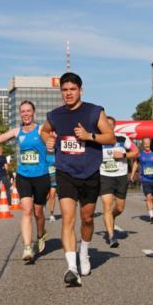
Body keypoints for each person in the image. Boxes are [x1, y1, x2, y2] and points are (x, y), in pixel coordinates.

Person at [41, 72, 115, 286]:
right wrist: (48, 141)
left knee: (88, 218)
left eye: (72, 89)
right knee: (67, 217)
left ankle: (84, 251)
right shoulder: (55, 115)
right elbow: (45, 132)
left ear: (80, 90)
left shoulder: (94, 111)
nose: (68, 94)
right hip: (65, 171)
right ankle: (72, 267)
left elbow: (110, 137)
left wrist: (89, 136)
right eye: (65, 90)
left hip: (90, 172)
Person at [0, 102, 52, 262]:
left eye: (28, 111)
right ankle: (27, 247)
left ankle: (40, 234)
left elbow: (54, 141)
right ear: (20, 114)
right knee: (27, 210)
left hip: (41, 176)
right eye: (23, 111)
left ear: (34, 113)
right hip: (23, 176)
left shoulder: (41, 129)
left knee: (38, 212)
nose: (25, 114)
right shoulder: (17, 131)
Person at [99, 116, 137, 247]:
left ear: (114, 127)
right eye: (105, 124)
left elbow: (136, 152)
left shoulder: (122, 138)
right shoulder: (98, 139)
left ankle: (112, 216)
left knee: (119, 208)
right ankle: (111, 236)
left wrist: (124, 155)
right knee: (107, 206)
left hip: (121, 176)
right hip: (104, 176)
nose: (107, 127)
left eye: (110, 125)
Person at [132, 136, 153, 223]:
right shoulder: (140, 154)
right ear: (142, 144)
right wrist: (133, 174)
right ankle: (151, 215)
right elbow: (136, 163)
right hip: (145, 179)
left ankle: (152, 205)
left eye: (148, 143)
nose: (147, 145)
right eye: (145, 144)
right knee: (148, 197)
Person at [45, 151, 58, 221]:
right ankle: (42, 209)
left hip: (53, 175)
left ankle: (51, 214)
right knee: (46, 196)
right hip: (45, 175)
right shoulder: (43, 150)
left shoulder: (56, 152)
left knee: (52, 195)